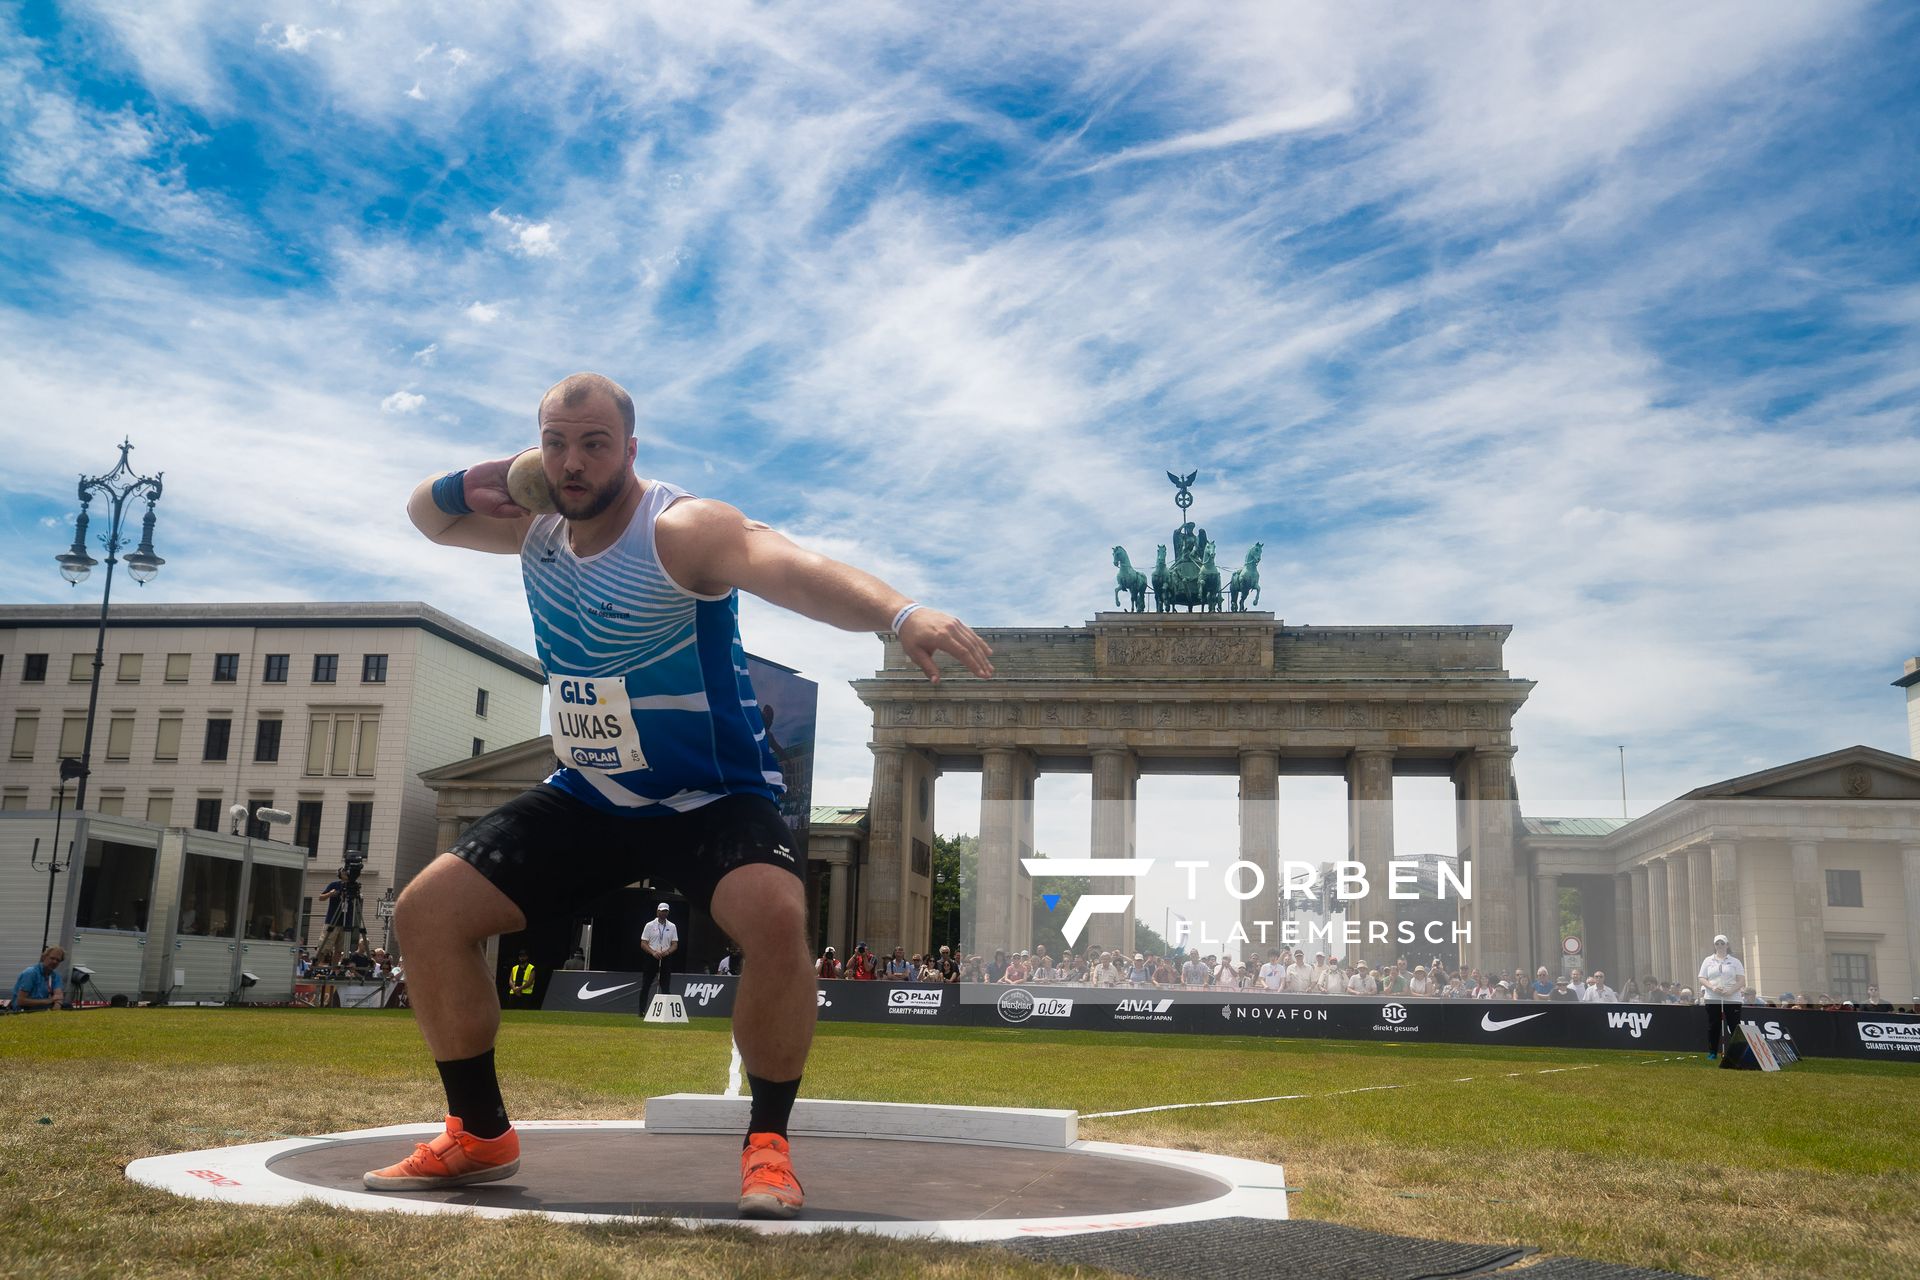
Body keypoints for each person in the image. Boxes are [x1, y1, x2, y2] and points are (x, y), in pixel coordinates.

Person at [377, 372, 993, 1218]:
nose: (574, 461)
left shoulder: (679, 530)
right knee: (426, 913)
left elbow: (793, 567)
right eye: (556, 442)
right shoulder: (534, 523)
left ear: (631, 451)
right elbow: (428, 516)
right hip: (593, 792)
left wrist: (900, 614)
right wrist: (475, 478)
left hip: (713, 793)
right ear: (537, 448)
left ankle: (768, 1147)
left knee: (776, 917)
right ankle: (479, 1132)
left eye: (595, 443)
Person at [1698, 933, 1745, 1058]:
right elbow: (1702, 978)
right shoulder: (1708, 960)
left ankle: (1737, 1052)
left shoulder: (1735, 961)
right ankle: (1713, 1052)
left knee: (1734, 1025)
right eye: (1717, 943)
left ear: (1727, 945)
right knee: (1714, 1025)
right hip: (1713, 997)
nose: (1719, 946)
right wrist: (1712, 987)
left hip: (1732, 998)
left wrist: (1731, 991)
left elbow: (1741, 980)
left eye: (1722, 943)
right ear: (1714, 945)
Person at [639, 903, 680, 1004]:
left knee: (665, 986)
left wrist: (667, 952)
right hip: (651, 957)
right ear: (657, 911)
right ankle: (642, 1011)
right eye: (661, 911)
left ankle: (665, 1012)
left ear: (668, 912)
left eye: (665, 911)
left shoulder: (672, 926)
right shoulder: (649, 925)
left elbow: (675, 944)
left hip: (665, 957)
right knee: (646, 985)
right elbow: (643, 943)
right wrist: (653, 952)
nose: (663, 913)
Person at [10, 946, 68, 1012]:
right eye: (52, 958)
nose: (55, 962)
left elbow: (58, 995)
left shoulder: (55, 975)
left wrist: (57, 1005)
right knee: (44, 1009)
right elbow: (21, 1001)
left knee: (68, 1007)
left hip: (42, 1005)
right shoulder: (30, 973)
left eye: (58, 960)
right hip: (23, 1008)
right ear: (44, 957)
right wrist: (49, 1001)